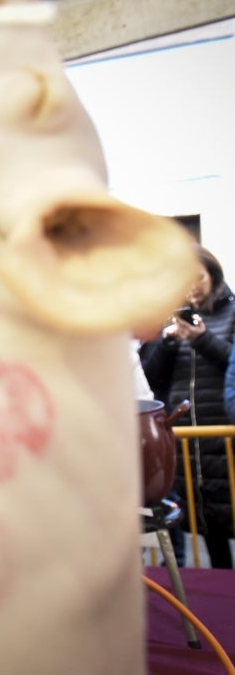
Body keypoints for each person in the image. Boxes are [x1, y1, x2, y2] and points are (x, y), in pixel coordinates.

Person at [139, 244, 235, 569]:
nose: (191, 287)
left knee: (227, 513)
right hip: (185, 440)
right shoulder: (171, 319)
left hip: (223, 435)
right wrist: (168, 341)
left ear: (214, 274)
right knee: (203, 522)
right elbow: (151, 378)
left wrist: (201, 340)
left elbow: (231, 365)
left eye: (198, 277)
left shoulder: (231, 313)